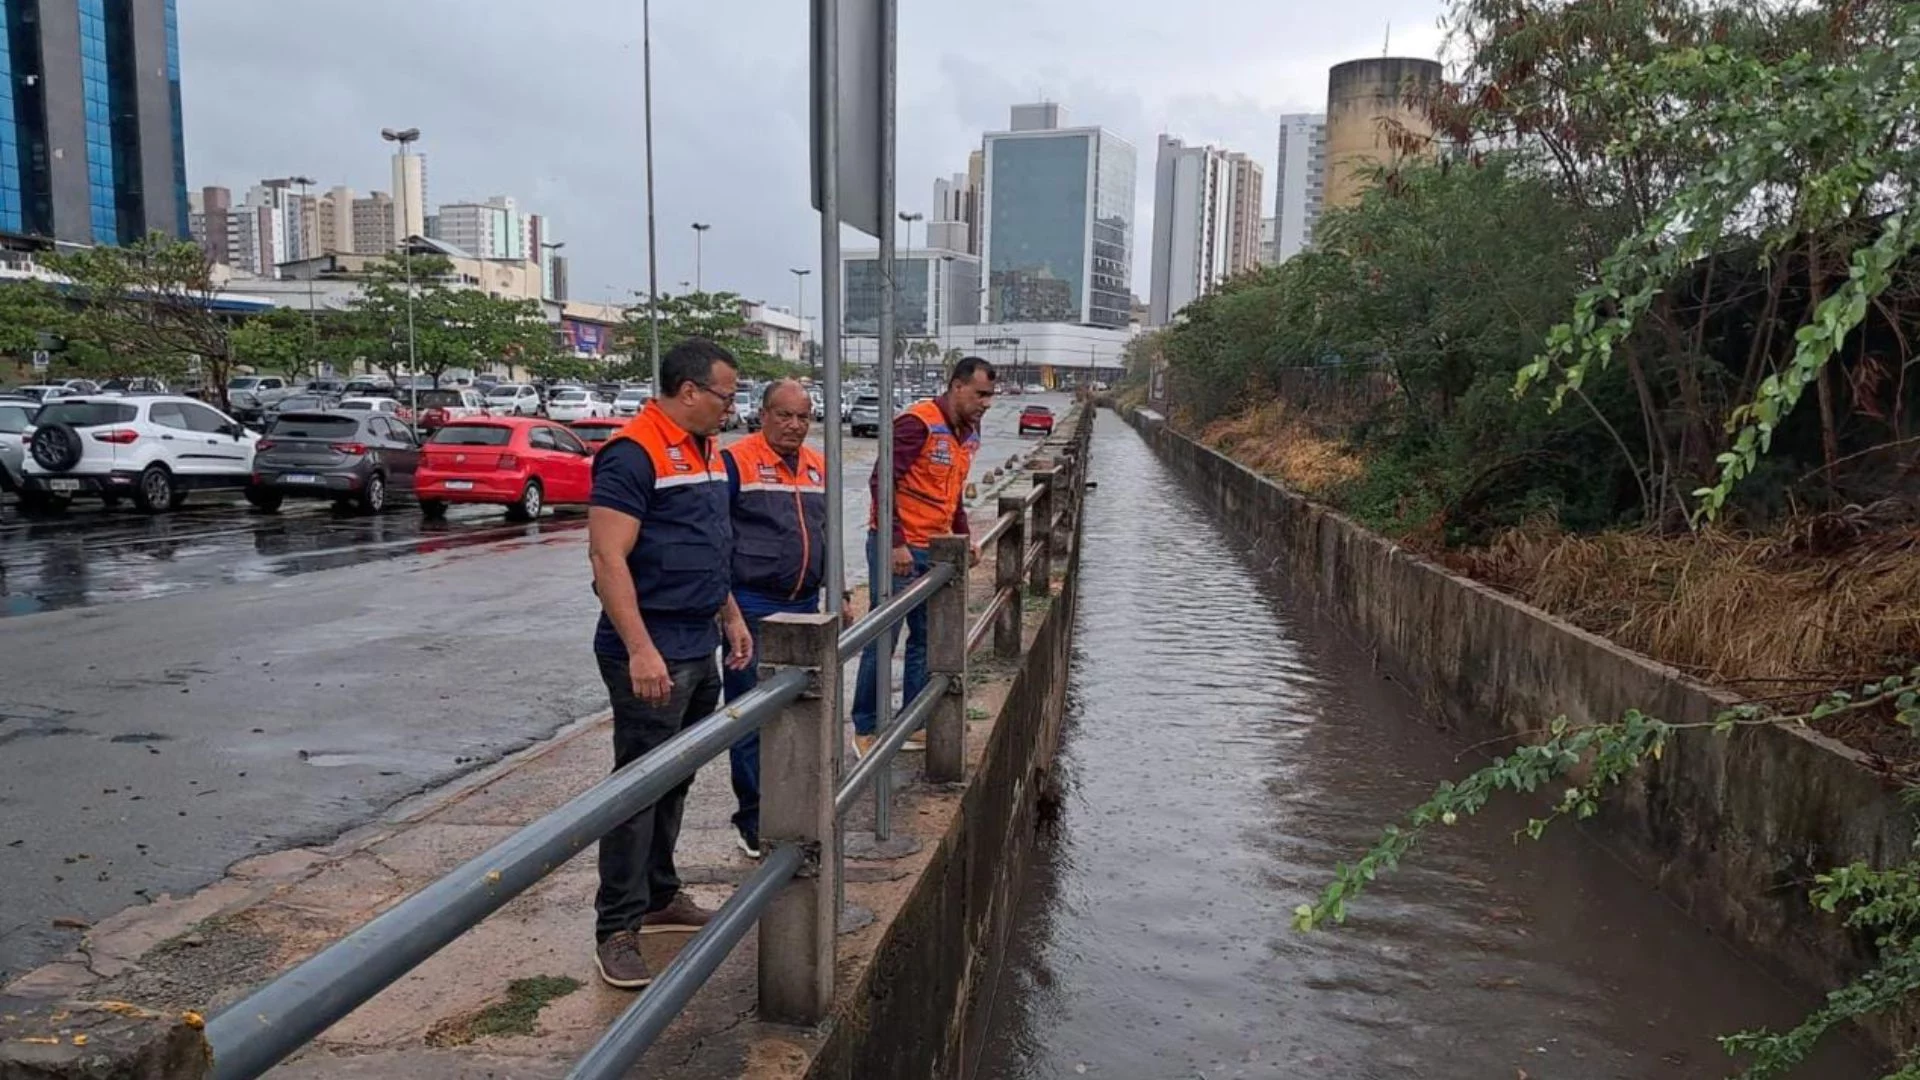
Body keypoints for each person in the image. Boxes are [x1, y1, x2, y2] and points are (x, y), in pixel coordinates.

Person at [585, 337, 754, 991]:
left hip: (696, 642)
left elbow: (709, 544)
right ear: (689, 391)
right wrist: (640, 649)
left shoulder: (704, 449)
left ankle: (659, 895)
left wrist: (729, 614)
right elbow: (607, 558)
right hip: (652, 649)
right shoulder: (634, 452)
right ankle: (617, 928)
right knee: (636, 791)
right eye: (725, 396)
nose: (731, 408)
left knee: (675, 780)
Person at [850, 356, 995, 757]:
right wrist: (894, 542)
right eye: (980, 394)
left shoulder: (969, 433)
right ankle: (866, 726)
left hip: (935, 547)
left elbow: (953, 495)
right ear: (957, 387)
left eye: (990, 396)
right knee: (884, 635)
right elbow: (882, 481)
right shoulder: (918, 423)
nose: (986, 403)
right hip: (900, 547)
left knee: (926, 638)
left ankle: (914, 722)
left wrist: (964, 538)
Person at [719, 379, 829, 858]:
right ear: (762, 414)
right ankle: (755, 818)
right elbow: (716, 540)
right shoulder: (735, 462)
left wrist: (838, 589)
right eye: (784, 415)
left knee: (800, 711)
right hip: (752, 606)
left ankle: (794, 808)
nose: (794, 426)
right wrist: (729, 612)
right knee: (750, 715)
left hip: (804, 605)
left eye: (803, 417)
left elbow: (824, 531)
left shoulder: (817, 466)